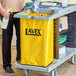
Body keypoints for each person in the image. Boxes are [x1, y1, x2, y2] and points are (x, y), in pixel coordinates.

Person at [0, 0, 34, 75]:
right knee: (7, 39)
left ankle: (20, 60)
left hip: (21, 12)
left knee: (22, 38)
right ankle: (6, 65)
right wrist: (1, 10)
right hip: (6, 12)